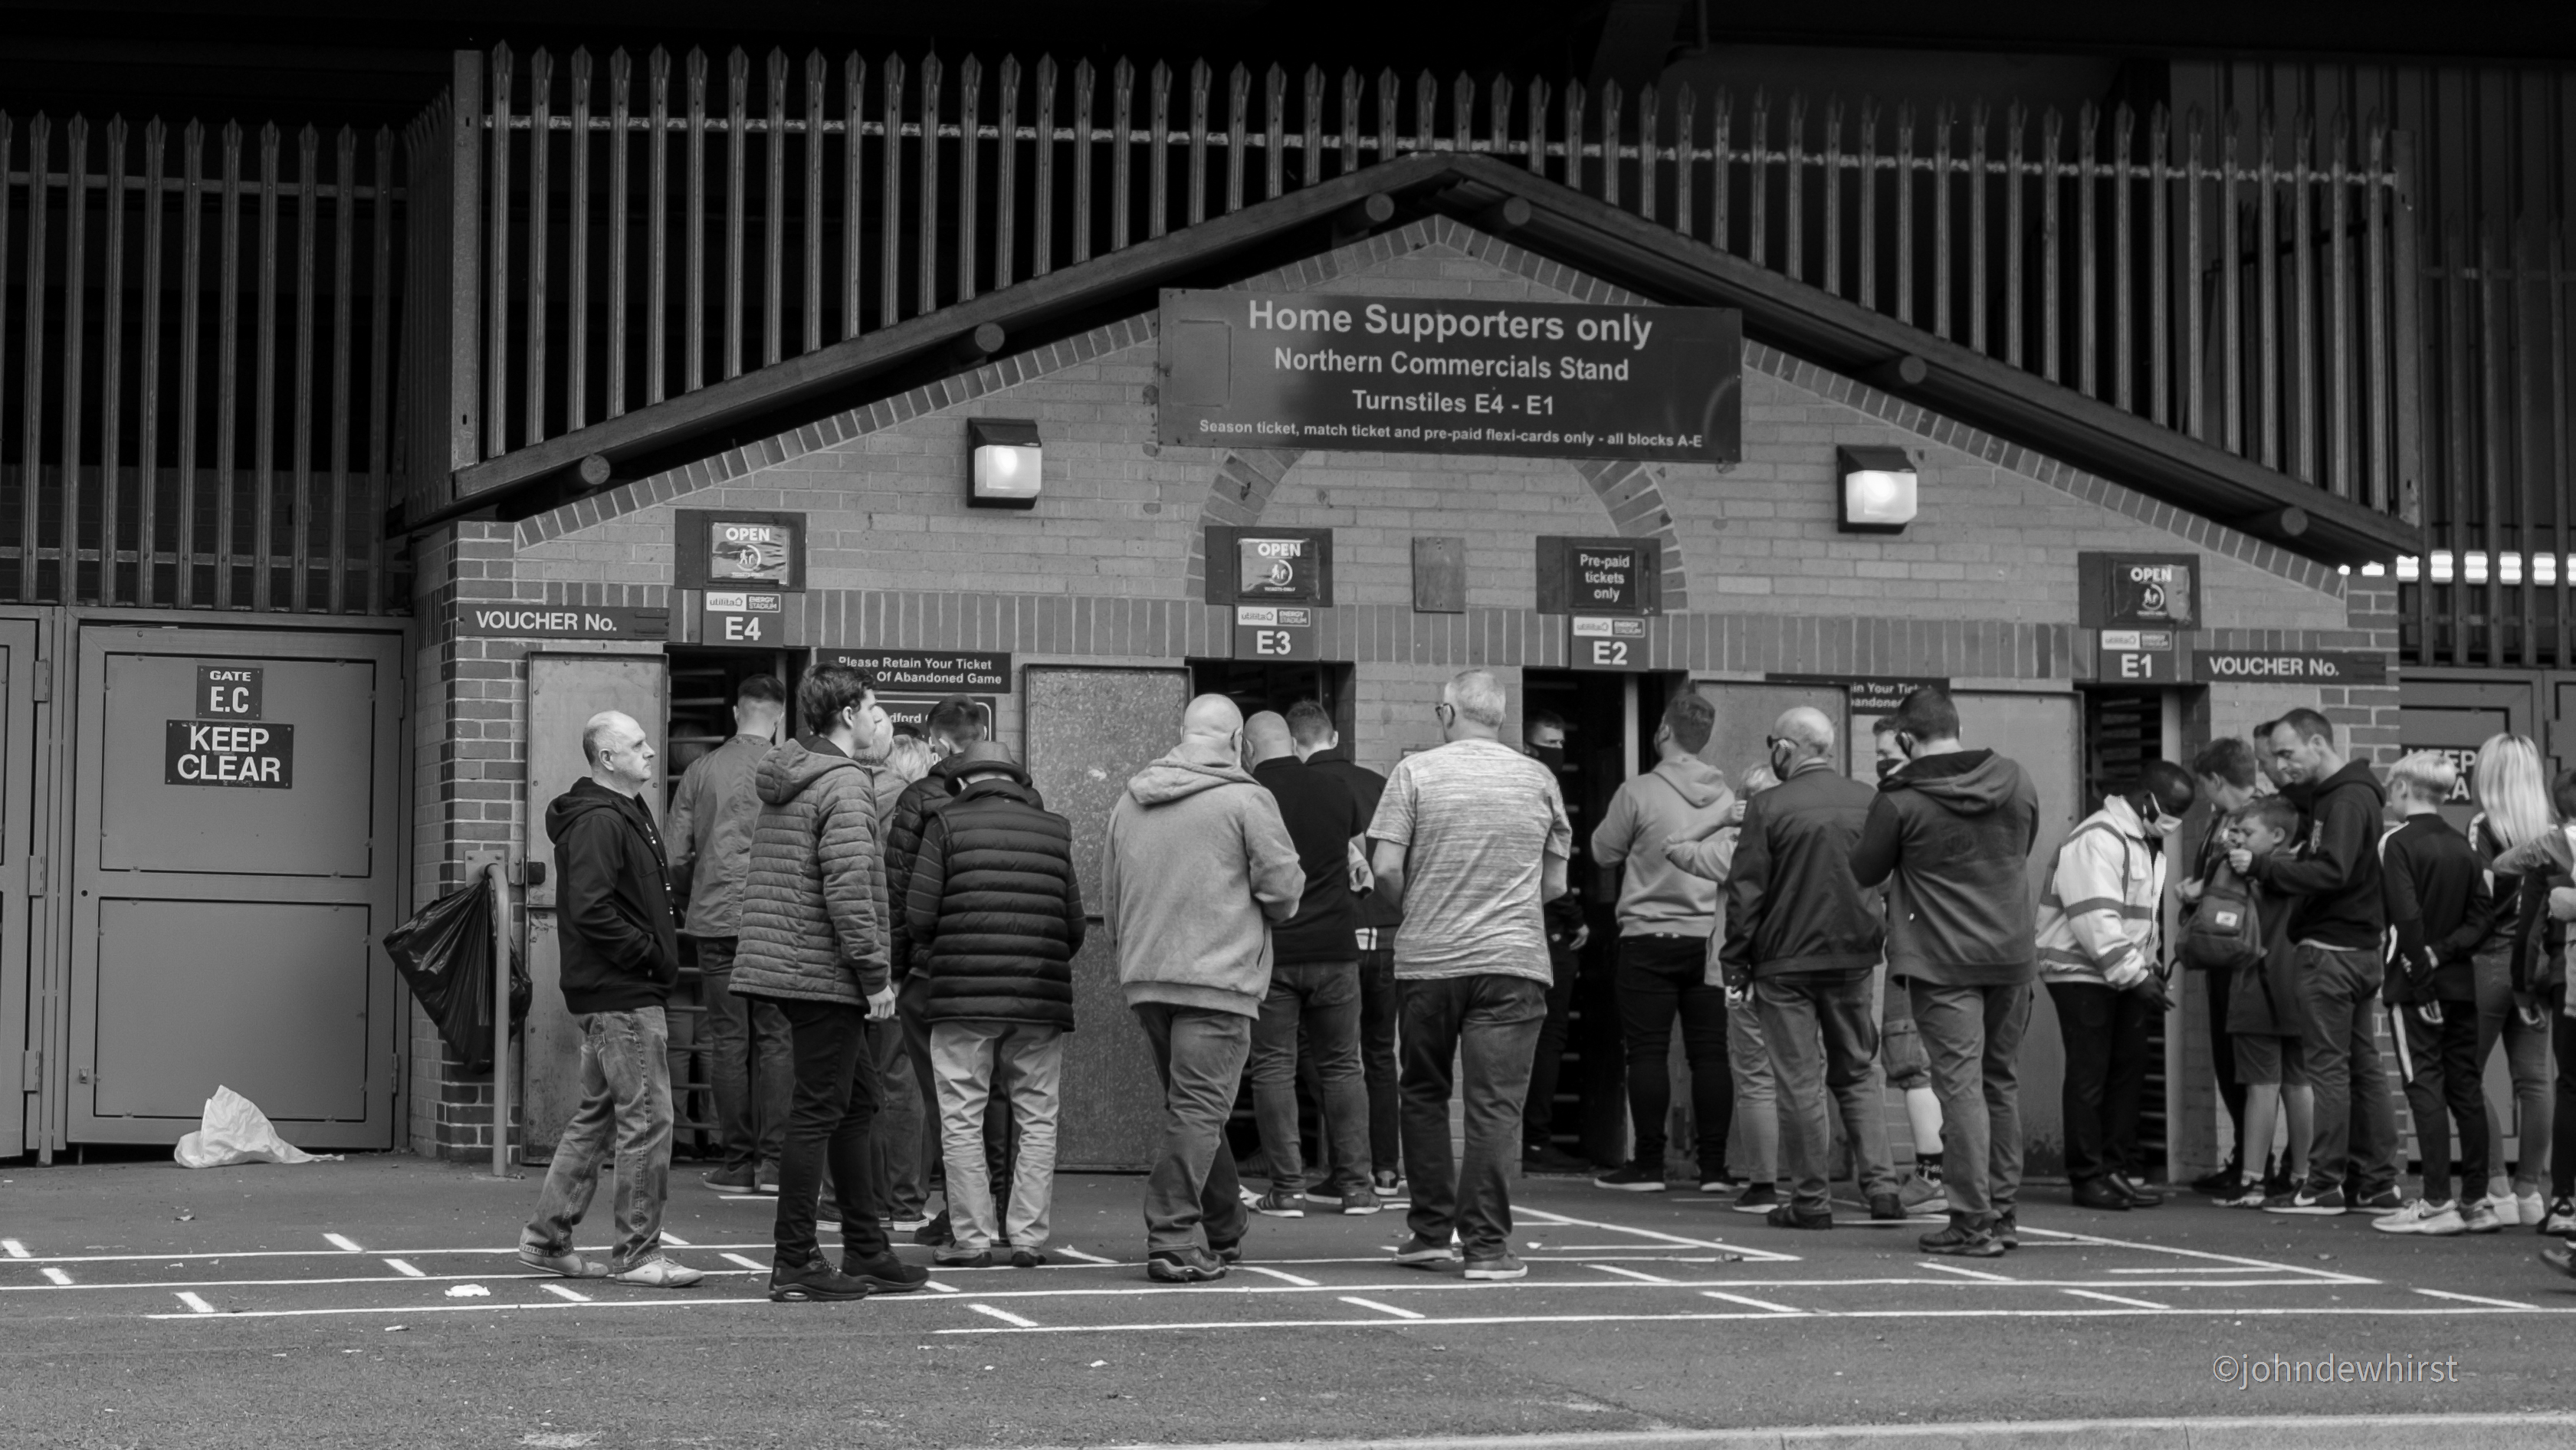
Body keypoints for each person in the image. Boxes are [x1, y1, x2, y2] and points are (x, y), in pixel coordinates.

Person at [732, 664, 931, 1303]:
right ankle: (794, 1258)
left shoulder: (795, 772)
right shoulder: (843, 781)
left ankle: (866, 1248)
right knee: (819, 1109)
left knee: (858, 1102)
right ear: (847, 714)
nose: (877, 721)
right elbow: (849, 887)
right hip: (822, 970)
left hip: (794, 963)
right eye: (872, 709)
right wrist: (875, 975)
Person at [1370, 669, 1573, 1281]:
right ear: (1500, 718)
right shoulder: (1538, 779)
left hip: (1429, 961)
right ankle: (1485, 1247)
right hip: (1512, 963)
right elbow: (1555, 883)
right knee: (1493, 1105)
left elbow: (1384, 868)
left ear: (1447, 713)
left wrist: (1417, 908)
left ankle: (1429, 1233)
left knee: (1423, 1092)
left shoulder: (1414, 773)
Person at [1101, 694, 1304, 1283]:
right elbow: (1282, 892)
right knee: (1197, 1110)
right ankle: (1171, 1238)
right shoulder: (1247, 799)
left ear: (1183, 733)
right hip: (1217, 979)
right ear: (1238, 741)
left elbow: (1110, 900)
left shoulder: (1130, 801)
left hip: (1147, 977)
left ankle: (1223, 1226)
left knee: (1194, 1110)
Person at [1849, 686, 2041, 1259]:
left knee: (1958, 1087)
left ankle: (1971, 1220)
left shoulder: (1900, 799)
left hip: (1940, 959)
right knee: (1999, 1081)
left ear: (1907, 739)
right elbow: (2022, 845)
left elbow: (1865, 870)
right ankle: (2002, 1212)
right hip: (2010, 953)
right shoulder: (2016, 779)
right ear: (1956, 728)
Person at [518, 710, 704, 1288]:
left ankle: (547, 1239)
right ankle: (638, 1254)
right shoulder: (601, 819)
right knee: (648, 1119)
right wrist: (650, 955)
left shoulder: (621, 810)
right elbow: (591, 909)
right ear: (606, 758)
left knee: (598, 1119)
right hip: (622, 992)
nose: (650, 751)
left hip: (612, 990)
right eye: (637, 744)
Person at [904, 741, 1086, 1268]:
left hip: (962, 995)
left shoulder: (945, 824)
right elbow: (1073, 926)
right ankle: (1026, 1236)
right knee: (1037, 1117)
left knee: (961, 1115)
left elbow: (919, 916)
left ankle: (973, 1239)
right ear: (1016, 782)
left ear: (963, 782)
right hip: (1038, 995)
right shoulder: (1055, 829)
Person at [1726, 707, 1902, 1228]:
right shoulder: (1869, 800)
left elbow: (1746, 892)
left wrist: (1735, 962)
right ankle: (1883, 1189)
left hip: (1784, 962)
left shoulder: (1768, 806)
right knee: (1857, 1072)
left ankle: (1810, 1201)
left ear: (1785, 748)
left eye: (1773, 746)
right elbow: (1887, 880)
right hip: (1854, 959)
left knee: (1800, 1081)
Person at [2235, 710, 2402, 1217]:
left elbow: (2333, 871)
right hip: (2357, 949)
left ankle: (2325, 1183)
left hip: (2332, 950)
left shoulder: (2345, 799)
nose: (2281, 766)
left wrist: (2265, 868)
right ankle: (2377, 1184)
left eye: (2287, 754)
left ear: (2317, 743)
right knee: (2362, 1066)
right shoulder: (2342, 795)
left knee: (2328, 1069)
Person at [1590, 691, 1735, 1193]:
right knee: (1710, 1055)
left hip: (1647, 937)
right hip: (1708, 942)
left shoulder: (1638, 792)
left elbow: (1603, 853)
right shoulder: (1727, 798)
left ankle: (1648, 1165)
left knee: (1647, 1053)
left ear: (1664, 732)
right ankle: (1713, 1169)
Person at [2036, 761, 2194, 1212]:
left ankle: (2113, 1169)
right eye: (2172, 808)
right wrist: (2136, 974)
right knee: (2090, 1076)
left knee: (2126, 1071)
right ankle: (2087, 1177)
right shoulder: (2098, 838)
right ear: (2146, 797)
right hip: (2081, 974)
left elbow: (2136, 918)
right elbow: (2095, 918)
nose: (2174, 819)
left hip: (2120, 973)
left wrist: (2148, 965)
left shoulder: (2141, 842)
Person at [1242, 710, 1381, 1217]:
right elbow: (1353, 857)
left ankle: (1287, 1189)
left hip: (1276, 952)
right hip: (1337, 950)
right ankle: (1358, 1187)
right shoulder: (1336, 789)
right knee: (1344, 1066)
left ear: (1248, 749)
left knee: (1273, 1067)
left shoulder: (1250, 794)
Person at [665, 674, 792, 1196]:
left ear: (737, 712)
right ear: (778, 718)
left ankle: (737, 1163)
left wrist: (688, 896)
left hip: (716, 918)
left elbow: (675, 854)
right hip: (778, 921)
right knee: (777, 1039)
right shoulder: (793, 768)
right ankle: (774, 1165)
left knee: (727, 1039)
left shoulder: (701, 769)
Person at [881, 694, 990, 1244]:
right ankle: (1005, 1215)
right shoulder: (1022, 796)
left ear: (938, 743)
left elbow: (901, 893)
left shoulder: (919, 798)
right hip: (1003, 972)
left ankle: (957, 1214)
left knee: (943, 1096)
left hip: (933, 969)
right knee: (1001, 1101)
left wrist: (895, 972)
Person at [2374, 752, 2498, 1235]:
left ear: (2404, 788)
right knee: (2465, 1086)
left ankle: (2436, 1201)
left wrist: (2422, 973)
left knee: (2423, 1085)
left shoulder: (2396, 842)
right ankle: (2478, 1201)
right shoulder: (2461, 844)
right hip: (2461, 982)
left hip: (2414, 985)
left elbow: (2405, 916)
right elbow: (2482, 918)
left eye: (2391, 788)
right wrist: (2443, 954)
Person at [1294, 698, 1406, 1196]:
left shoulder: (1302, 789)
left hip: (1333, 939)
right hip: (1388, 936)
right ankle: (1385, 1170)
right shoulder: (1380, 785)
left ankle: (1349, 1164)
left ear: (1294, 743)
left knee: (1319, 1053)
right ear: (1335, 737)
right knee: (1379, 1053)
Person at [1667, 763, 1781, 1212]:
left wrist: (1721, 819)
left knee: (1756, 1078)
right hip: (1798, 969)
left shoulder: (1733, 852)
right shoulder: (1808, 845)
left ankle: (1764, 1185)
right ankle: (1814, 1183)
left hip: (1744, 972)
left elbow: (1673, 846)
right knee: (1806, 1077)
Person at [2465, 733, 2558, 1229]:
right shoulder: (2553, 830)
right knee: (2535, 1081)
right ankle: (2530, 1192)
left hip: (2490, 960)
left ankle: (2496, 1186)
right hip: (2538, 963)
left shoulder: (2483, 826)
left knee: (2464, 1073)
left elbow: (2478, 897)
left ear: (2489, 774)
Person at [2217, 796, 2315, 1209]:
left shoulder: (2251, 876)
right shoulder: (2307, 872)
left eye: (2247, 832)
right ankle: (2302, 1176)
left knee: (2261, 1086)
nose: (2240, 840)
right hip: (2300, 990)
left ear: (2276, 835)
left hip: (2257, 988)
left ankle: (2252, 1181)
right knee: (2300, 1085)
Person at [2177, 736, 2264, 1198]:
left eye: (2203, 783)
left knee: (2245, 1063)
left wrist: (2200, 890)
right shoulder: (2225, 818)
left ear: (2215, 779)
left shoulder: (2256, 820)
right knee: (2228, 1058)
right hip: (2224, 952)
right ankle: (2243, 1159)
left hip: (2242, 952)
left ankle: (2255, 1165)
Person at [1870, 715, 1948, 1212]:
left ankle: (1930, 1176)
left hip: (1917, 950)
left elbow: (1874, 874)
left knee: (1911, 1062)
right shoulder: (1970, 797)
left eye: (1889, 756)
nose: (1882, 766)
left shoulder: (1903, 805)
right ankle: (1966, 1178)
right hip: (1974, 951)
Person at [1520, 710, 1596, 1176]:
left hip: (1533, 927)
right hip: (1545, 929)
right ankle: (1534, 1140)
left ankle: (1530, 1139)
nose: (1558, 752)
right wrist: (1575, 919)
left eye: (1562, 743)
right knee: (1546, 1037)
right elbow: (1549, 867)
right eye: (1549, 743)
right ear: (1528, 746)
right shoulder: (1539, 788)